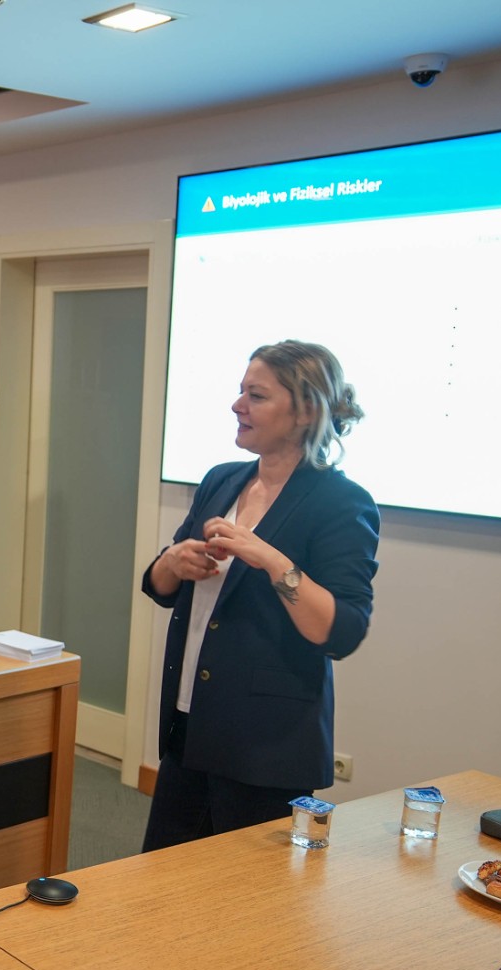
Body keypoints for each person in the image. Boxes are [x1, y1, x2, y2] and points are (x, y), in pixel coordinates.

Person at [141, 340, 379, 851]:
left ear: (306, 410)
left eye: (257, 395)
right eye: (240, 391)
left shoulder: (341, 502)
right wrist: (173, 562)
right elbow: (160, 587)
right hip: (189, 728)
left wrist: (271, 560)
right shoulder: (222, 480)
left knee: (248, 897)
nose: (237, 405)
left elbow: (341, 631)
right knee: (162, 887)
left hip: (267, 748)